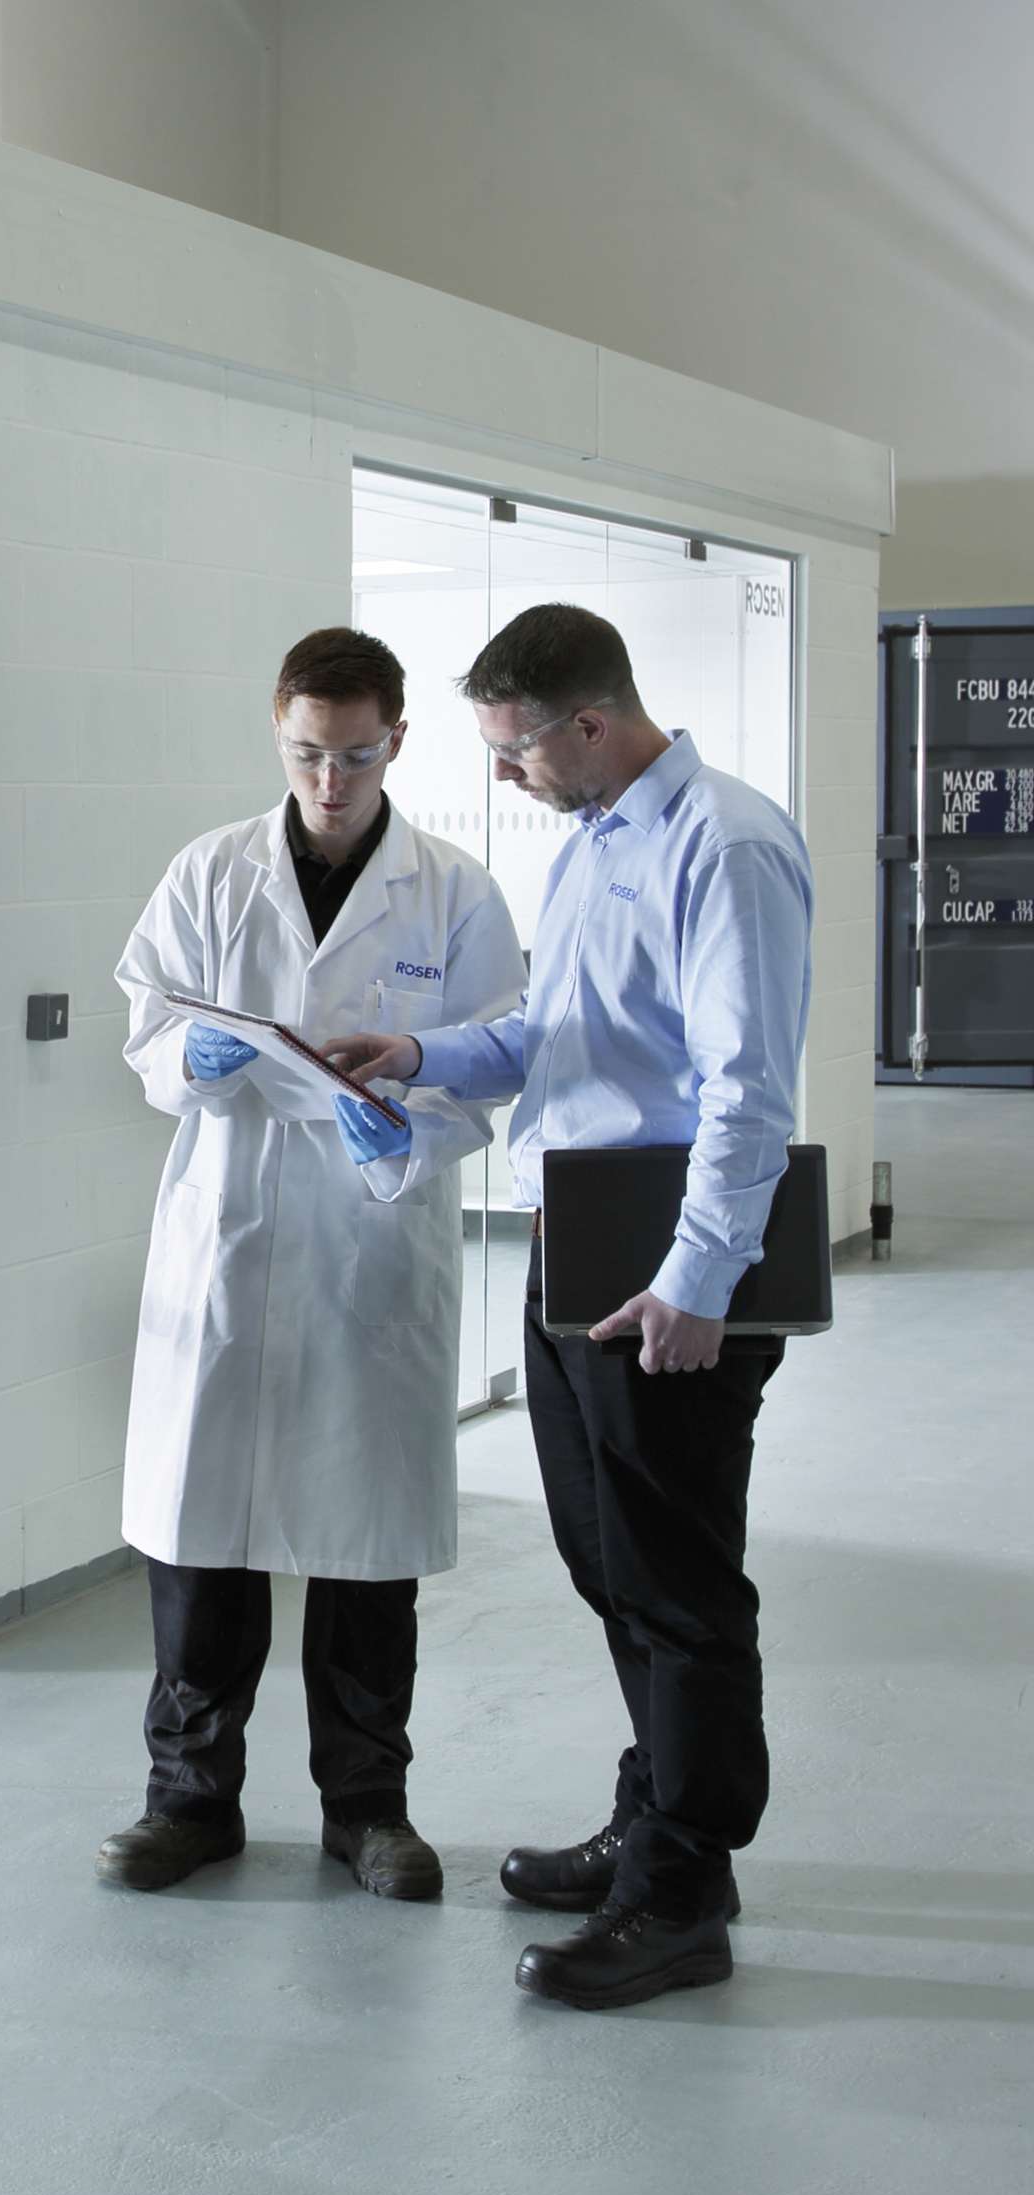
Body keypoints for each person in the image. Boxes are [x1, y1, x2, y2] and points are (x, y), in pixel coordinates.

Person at [325, 602, 811, 2011]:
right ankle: (652, 1812)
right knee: (612, 1564)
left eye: (514, 749)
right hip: (583, 1243)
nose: (501, 779)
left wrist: (698, 1280)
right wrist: (419, 1049)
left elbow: (747, 1090)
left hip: (670, 1263)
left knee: (680, 1584)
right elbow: (559, 1031)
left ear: (589, 724)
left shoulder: (722, 847)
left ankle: (685, 1889)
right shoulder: (601, 842)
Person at [100, 628, 524, 1902]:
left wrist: (406, 1122)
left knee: (363, 1544)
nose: (327, 782)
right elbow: (147, 1029)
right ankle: (190, 1800)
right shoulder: (212, 873)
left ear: (397, 738)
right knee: (202, 1538)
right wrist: (194, 1062)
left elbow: (499, 1052)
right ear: (276, 737)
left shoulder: (454, 892)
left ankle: (368, 1810)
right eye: (303, 755)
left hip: (369, 1242)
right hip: (229, 1227)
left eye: (351, 756)